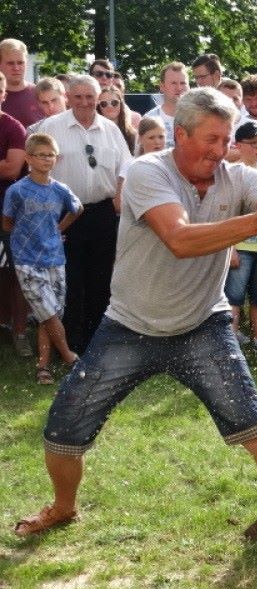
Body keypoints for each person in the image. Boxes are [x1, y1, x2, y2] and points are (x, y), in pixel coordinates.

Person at [12, 87, 257, 579]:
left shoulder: (244, 177)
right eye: (210, 139)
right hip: (129, 325)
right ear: (181, 133)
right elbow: (180, 239)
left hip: (202, 326)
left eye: (226, 138)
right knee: (65, 428)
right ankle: (64, 506)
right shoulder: (149, 171)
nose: (219, 149)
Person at [37, 75, 133, 355]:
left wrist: (118, 193)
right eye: (78, 96)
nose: (84, 102)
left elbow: (126, 165)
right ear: (68, 97)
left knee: (100, 280)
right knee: (69, 281)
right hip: (65, 215)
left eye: (89, 97)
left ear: (97, 98)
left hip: (102, 213)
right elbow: (39, 168)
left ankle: (96, 344)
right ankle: (70, 346)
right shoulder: (52, 127)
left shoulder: (110, 129)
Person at [2, 133, 82, 384]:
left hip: (55, 258)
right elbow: (7, 222)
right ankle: (71, 358)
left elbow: (76, 208)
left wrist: (58, 230)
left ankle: (43, 367)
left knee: (50, 314)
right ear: (28, 158)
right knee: (47, 313)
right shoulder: (17, 191)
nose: (47, 159)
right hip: (27, 260)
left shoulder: (60, 189)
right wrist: (23, 236)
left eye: (52, 155)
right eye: (42, 155)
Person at [224, 121, 257, 354]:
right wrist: (230, 247)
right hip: (241, 245)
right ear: (238, 145)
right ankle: (230, 343)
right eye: (253, 143)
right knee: (234, 296)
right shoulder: (232, 172)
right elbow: (227, 213)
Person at [0, 70, 32, 358]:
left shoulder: (13, 127)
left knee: (19, 271)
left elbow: (12, 169)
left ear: (3, 94)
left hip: (7, 210)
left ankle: (20, 332)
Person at [0, 38, 45, 128]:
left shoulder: (40, 94)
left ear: (26, 64)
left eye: (20, 63)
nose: (16, 68)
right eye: (10, 63)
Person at [144, 62, 190, 147]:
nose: (179, 88)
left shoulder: (199, 118)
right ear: (162, 86)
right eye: (173, 83)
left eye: (183, 83)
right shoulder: (150, 119)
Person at [97, 86, 137, 154]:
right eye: (104, 104)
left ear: (121, 104)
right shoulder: (95, 134)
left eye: (114, 103)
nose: (109, 106)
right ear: (99, 107)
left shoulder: (134, 135)